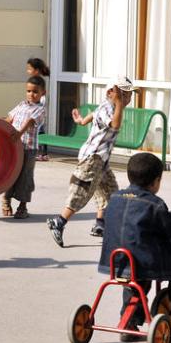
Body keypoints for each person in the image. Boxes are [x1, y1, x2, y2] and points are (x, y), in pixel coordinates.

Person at [98, 153, 171, 342]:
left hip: (115, 261)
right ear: (156, 181)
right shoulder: (154, 205)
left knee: (132, 278)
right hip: (145, 262)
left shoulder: (114, 198)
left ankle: (130, 322)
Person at [47, 76, 135, 247]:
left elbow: (93, 114)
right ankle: (59, 222)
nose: (128, 99)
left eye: (129, 95)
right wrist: (118, 104)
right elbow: (115, 125)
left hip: (101, 160)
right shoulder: (109, 108)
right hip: (92, 159)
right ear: (111, 93)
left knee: (109, 191)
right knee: (82, 191)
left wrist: (81, 121)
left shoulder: (107, 107)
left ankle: (100, 224)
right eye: (124, 94)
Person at [2, 76, 47, 219]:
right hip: (15, 146)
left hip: (28, 148)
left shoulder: (40, 109)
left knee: (25, 177)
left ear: (42, 93)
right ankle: (6, 199)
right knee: (11, 174)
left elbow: (30, 122)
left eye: (35, 92)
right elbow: (9, 119)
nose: (31, 94)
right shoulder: (21, 105)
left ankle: (22, 206)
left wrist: (18, 133)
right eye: (28, 91)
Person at [26, 58, 51, 161]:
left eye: (29, 69)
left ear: (36, 70)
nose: (27, 71)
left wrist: (36, 106)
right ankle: (43, 153)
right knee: (40, 131)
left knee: (39, 131)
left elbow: (41, 97)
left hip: (38, 107)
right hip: (35, 106)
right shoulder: (34, 81)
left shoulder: (38, 82)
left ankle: (43, 153)